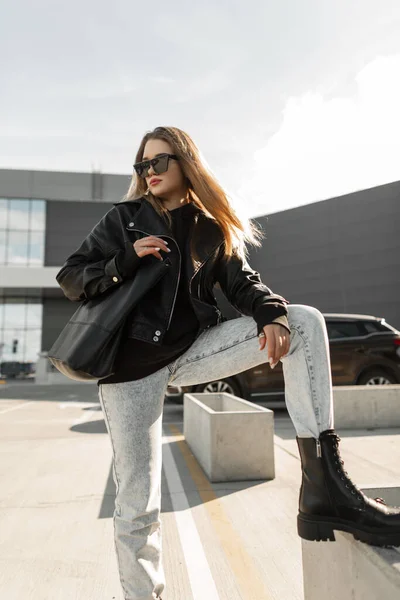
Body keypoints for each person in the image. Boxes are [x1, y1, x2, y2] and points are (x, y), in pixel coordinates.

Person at [56, 126, 400, 600]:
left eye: (159, 162)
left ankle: (326, 487)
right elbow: (72, 277)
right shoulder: (125, 218)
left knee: (303, 321)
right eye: (143, 165)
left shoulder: (209, 228)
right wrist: (123, 260)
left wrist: (270, 313)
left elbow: (244, 284)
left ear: (185, 163)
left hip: (191, 351)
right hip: (130, 370)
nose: (149, 172)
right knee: (138, 502)